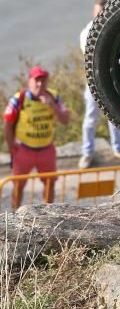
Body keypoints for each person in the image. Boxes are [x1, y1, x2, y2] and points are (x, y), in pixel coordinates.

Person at [4, 66, 71, 209]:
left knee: (49, 183)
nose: (40, 84)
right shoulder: (19, 99)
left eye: (43, 80)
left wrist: (52, 106)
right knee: (18, 185)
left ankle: (48, 214)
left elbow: (65, 120)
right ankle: (15, 216)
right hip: (24, 150)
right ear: (29, 81)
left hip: (46, 149)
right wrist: (11, 147)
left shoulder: (53, 96)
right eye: (37, 80)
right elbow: (7, 124)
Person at [79, 0, 120, 169]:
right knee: (91, 117)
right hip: (94, 79)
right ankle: (87, 153)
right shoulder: (87, 32)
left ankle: (118, 148)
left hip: (111, 78)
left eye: (103, 11)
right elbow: (92, 57)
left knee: (114, 115)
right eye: (98, 11)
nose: (100, 14)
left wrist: (119, 58)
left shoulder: (116, 29)